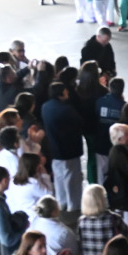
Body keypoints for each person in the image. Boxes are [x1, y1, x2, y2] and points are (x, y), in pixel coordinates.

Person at [41, 82, 85, 212]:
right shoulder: (67, 110)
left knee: (59, 177)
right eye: (66, 91)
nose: (68, 93)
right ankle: (74, 204)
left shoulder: (46, 106)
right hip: (69, 150)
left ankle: (61, 201)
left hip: (55, 149)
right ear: (60, 94)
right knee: (72, 178)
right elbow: (80, 123)